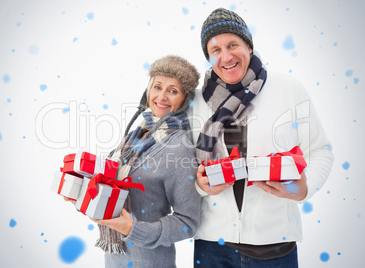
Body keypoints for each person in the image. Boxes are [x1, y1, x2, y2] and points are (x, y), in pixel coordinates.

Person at [190, 8, 334, 267]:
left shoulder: (288, 89)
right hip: (212, 247)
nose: (226, 56)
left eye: (233, 44)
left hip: (275, 246)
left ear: (249, 47)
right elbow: (181, 169)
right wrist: (201, 186)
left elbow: (320, 150)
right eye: (215, 50)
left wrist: (304, 188)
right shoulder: (197, 102)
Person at [67, 55, 201, 267]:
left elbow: (188, 222)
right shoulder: (137, 134)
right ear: (147, 91)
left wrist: (132, 229)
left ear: (185, 99)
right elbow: (113, 188)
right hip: (114, 259)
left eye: (173, 91)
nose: (162, 96)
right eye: (157, 87)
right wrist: (83, 192)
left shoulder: (180, 147)